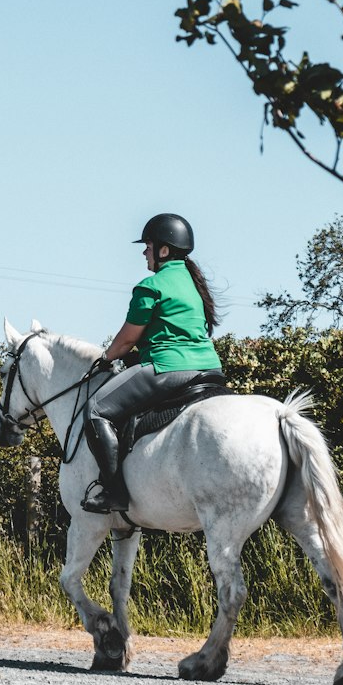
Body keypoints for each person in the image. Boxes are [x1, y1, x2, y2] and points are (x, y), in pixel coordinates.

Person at [82, 213, 225, 514]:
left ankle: (115, 493)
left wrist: (105, 359)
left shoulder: (151, 285)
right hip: (210, 368)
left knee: (96, 411)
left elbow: (125, 342)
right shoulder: (194, 284)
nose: (143, 252)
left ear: (163, 250)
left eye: (148, 245)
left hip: (170, 368)